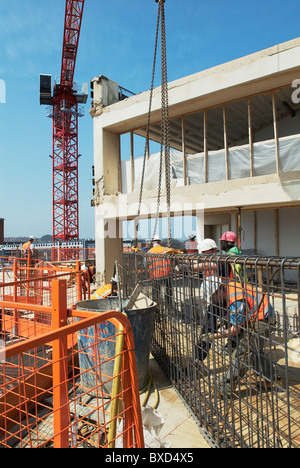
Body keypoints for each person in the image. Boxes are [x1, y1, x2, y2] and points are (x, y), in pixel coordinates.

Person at [200, 278, 279, 396]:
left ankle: (225, 388)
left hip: (263, 320)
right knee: (255, 350)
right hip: (260, 317)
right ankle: (271, 378)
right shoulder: (231, 287)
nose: (213, 301)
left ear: (217, 291)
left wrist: (212, 336)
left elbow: (235, 330)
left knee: (243, 353)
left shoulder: (235, 299)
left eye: (212, 298)